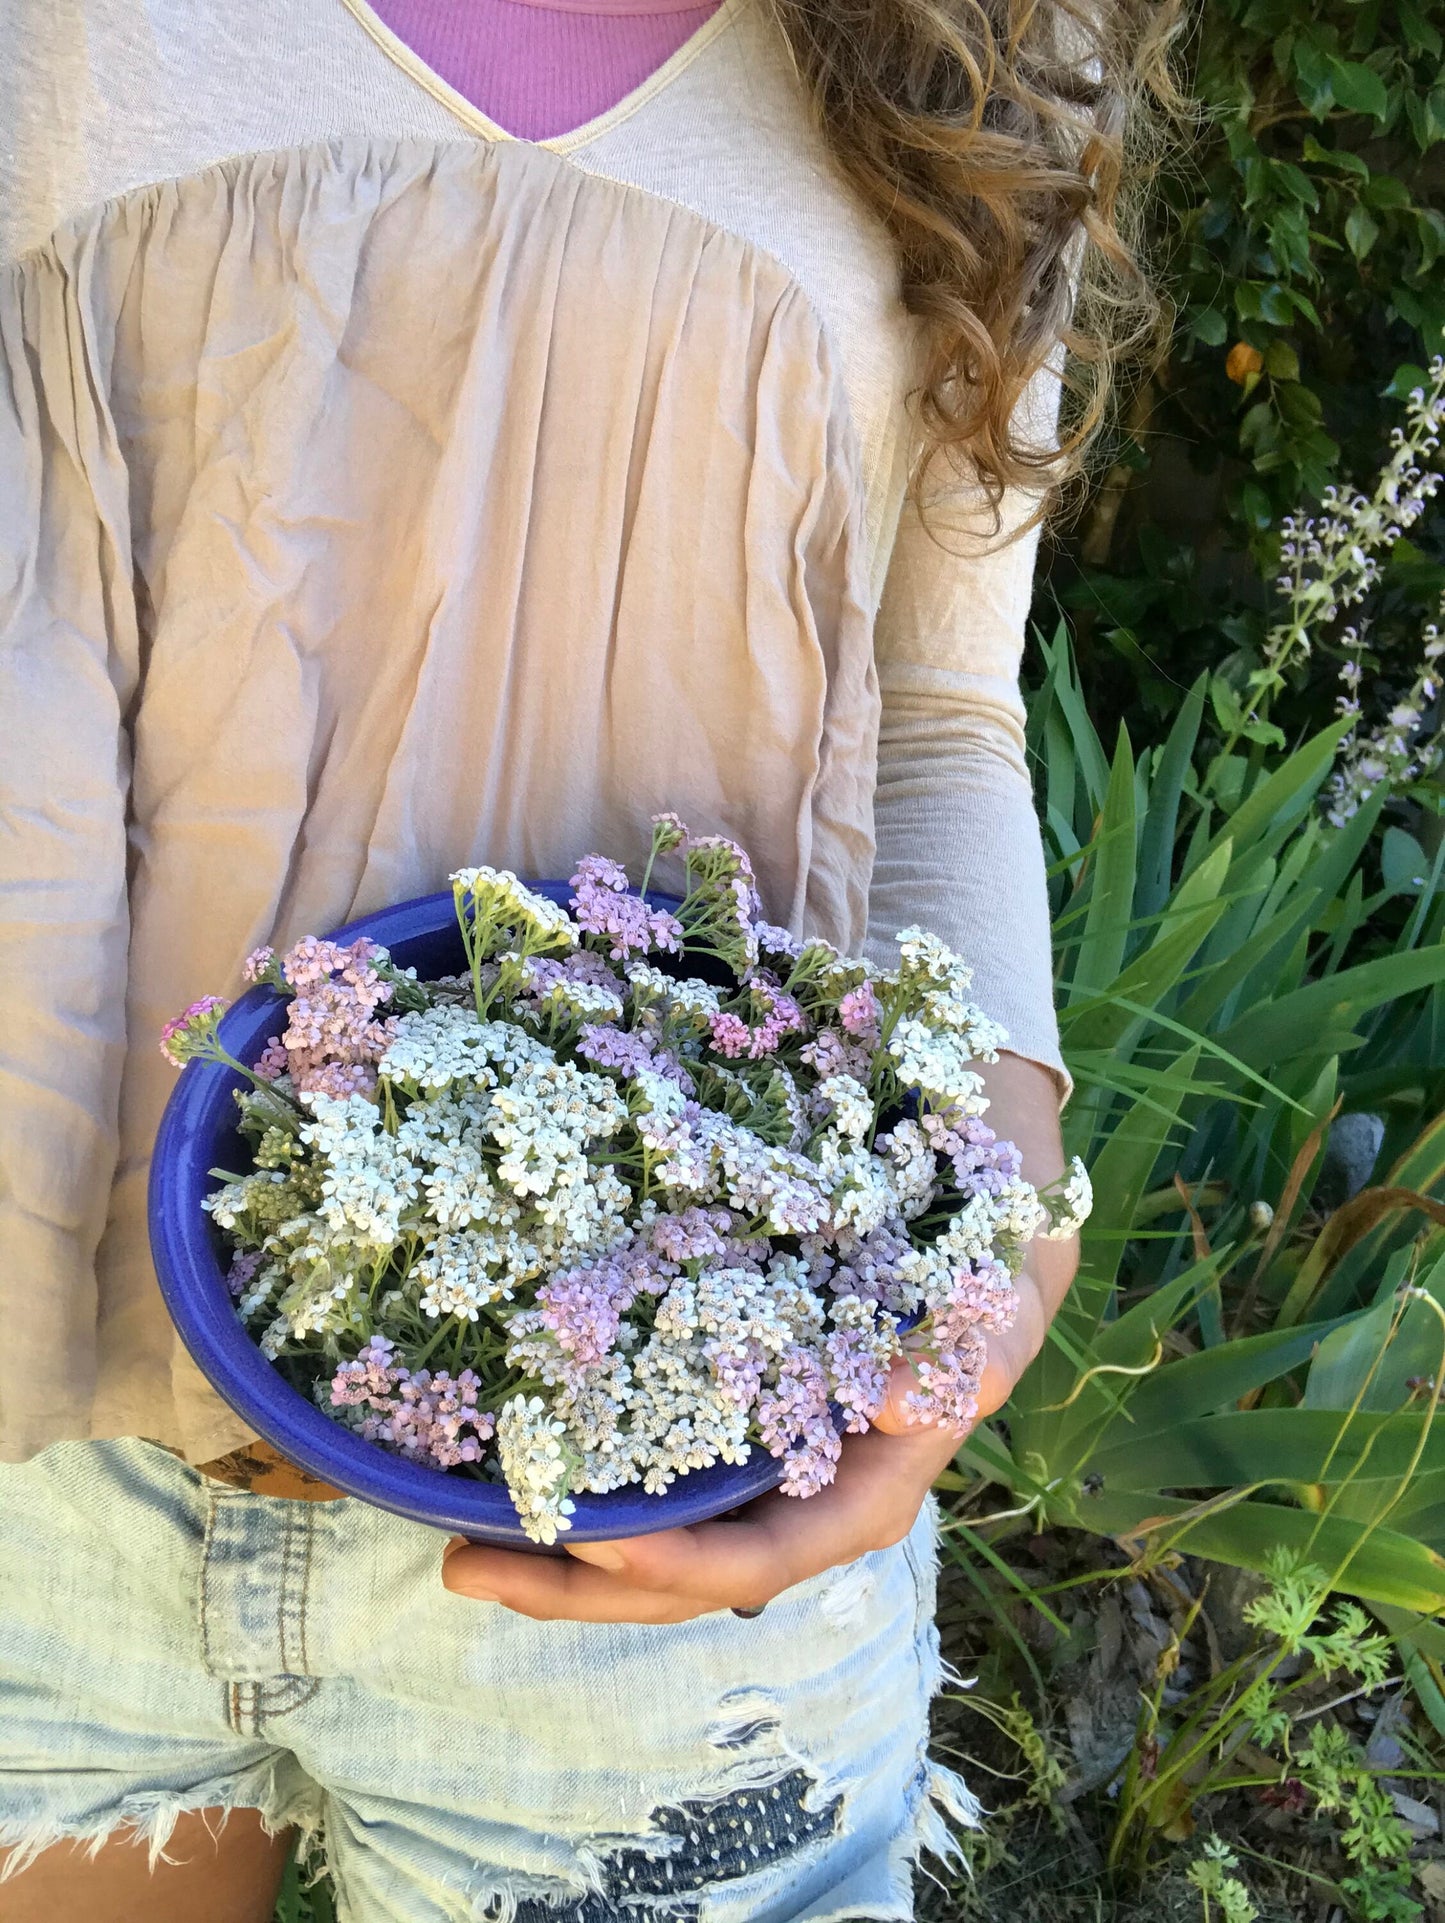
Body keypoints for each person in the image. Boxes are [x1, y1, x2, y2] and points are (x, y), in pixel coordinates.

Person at [0, 0, 1169, 1916]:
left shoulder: (979, 45)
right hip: (37, 1429)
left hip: (665, 1486)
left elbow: (942, 711)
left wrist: (991, 1242)